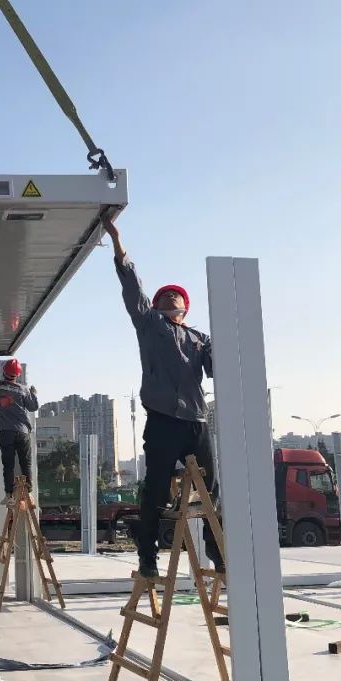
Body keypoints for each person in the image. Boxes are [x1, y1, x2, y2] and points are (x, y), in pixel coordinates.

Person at [103, 215, 221, 579]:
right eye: (164, 295)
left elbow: (216, 370)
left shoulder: (200, 338)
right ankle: (148, 556)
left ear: (185, 307)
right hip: (163, 421)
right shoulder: (150, 323)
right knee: (155, 489)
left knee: (211, 490)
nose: (170, 295)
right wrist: (117, 242)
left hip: (196, 423)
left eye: (176, 294)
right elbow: (132, 288)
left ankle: (218, 552)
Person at [0, 355, 39, 504]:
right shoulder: (23, 390)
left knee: (8, 465)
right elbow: (33, 407)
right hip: (22, 432)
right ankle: (29, 494)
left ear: (4, 372)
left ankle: (9, 496)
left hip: (6, 432)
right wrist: (34, 394)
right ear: (18, 375)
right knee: (25, 463)